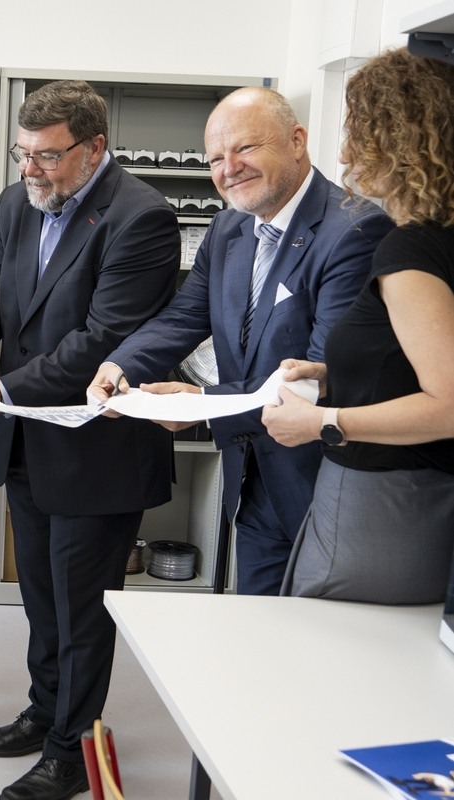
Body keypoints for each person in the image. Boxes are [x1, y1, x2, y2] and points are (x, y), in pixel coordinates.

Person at [0, 80, 181, 800]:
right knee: (42, 599)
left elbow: (102, 338)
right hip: (27, 443)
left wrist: (2, 391)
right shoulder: (18, 202)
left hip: (96, 450)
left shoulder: (141, 218)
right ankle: (46, 713)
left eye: (47, 156)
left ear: (95, 147)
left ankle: (72, 752)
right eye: (23, 154)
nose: (30, 169)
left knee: (81, 611)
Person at [87, 86, 393, 596]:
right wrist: (121, 364)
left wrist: (205, 405)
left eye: (245, 148)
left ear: (297, 140)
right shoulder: (229, 227)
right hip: (251, 481)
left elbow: (324, 375)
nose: (229, 168)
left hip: (321, 484)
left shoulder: (355, 231)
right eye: (215, 158)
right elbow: (186, 315)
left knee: (316, 635)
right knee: (260, 627)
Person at [261, 48, 454, 604]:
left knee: (329, 642)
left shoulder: (410, 250)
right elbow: (417, 360)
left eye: (361, 133)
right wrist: (333, 374)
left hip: (384, 502)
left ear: (402, 140)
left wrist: (322, 422)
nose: (345, 153)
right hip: (416, 496)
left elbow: (447, 403)